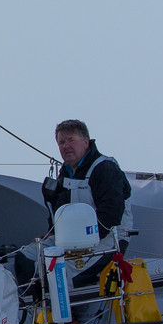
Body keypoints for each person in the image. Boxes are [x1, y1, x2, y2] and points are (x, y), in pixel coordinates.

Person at [41, 119, 131, 287]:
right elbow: (58, 209)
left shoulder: (104, 168)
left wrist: (82, 243)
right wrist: (51, 234)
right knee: (29, 259)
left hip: (106, 239)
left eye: (71, 140)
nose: (66, 146)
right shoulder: (65, 173)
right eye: (61, 142)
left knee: (57, 273)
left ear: (85, 142)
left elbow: (111, 213)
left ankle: (70, 312)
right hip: (68, 240)